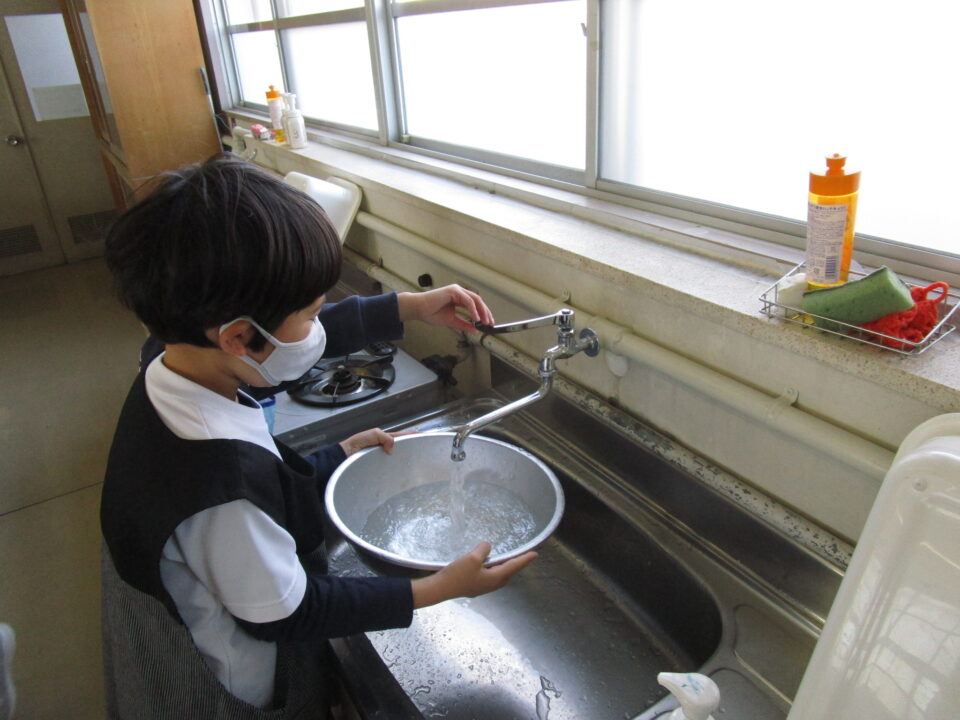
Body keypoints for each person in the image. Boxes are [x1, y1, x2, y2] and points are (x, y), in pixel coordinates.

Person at [99, 154, 537, 718]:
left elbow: (282, 346)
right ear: (238, 338)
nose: (317, 325)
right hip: (233, 679)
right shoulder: (219, 490)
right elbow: (290, 613)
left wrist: (407, 311)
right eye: (310, 314)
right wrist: (439, 588)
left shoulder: (172, 357)